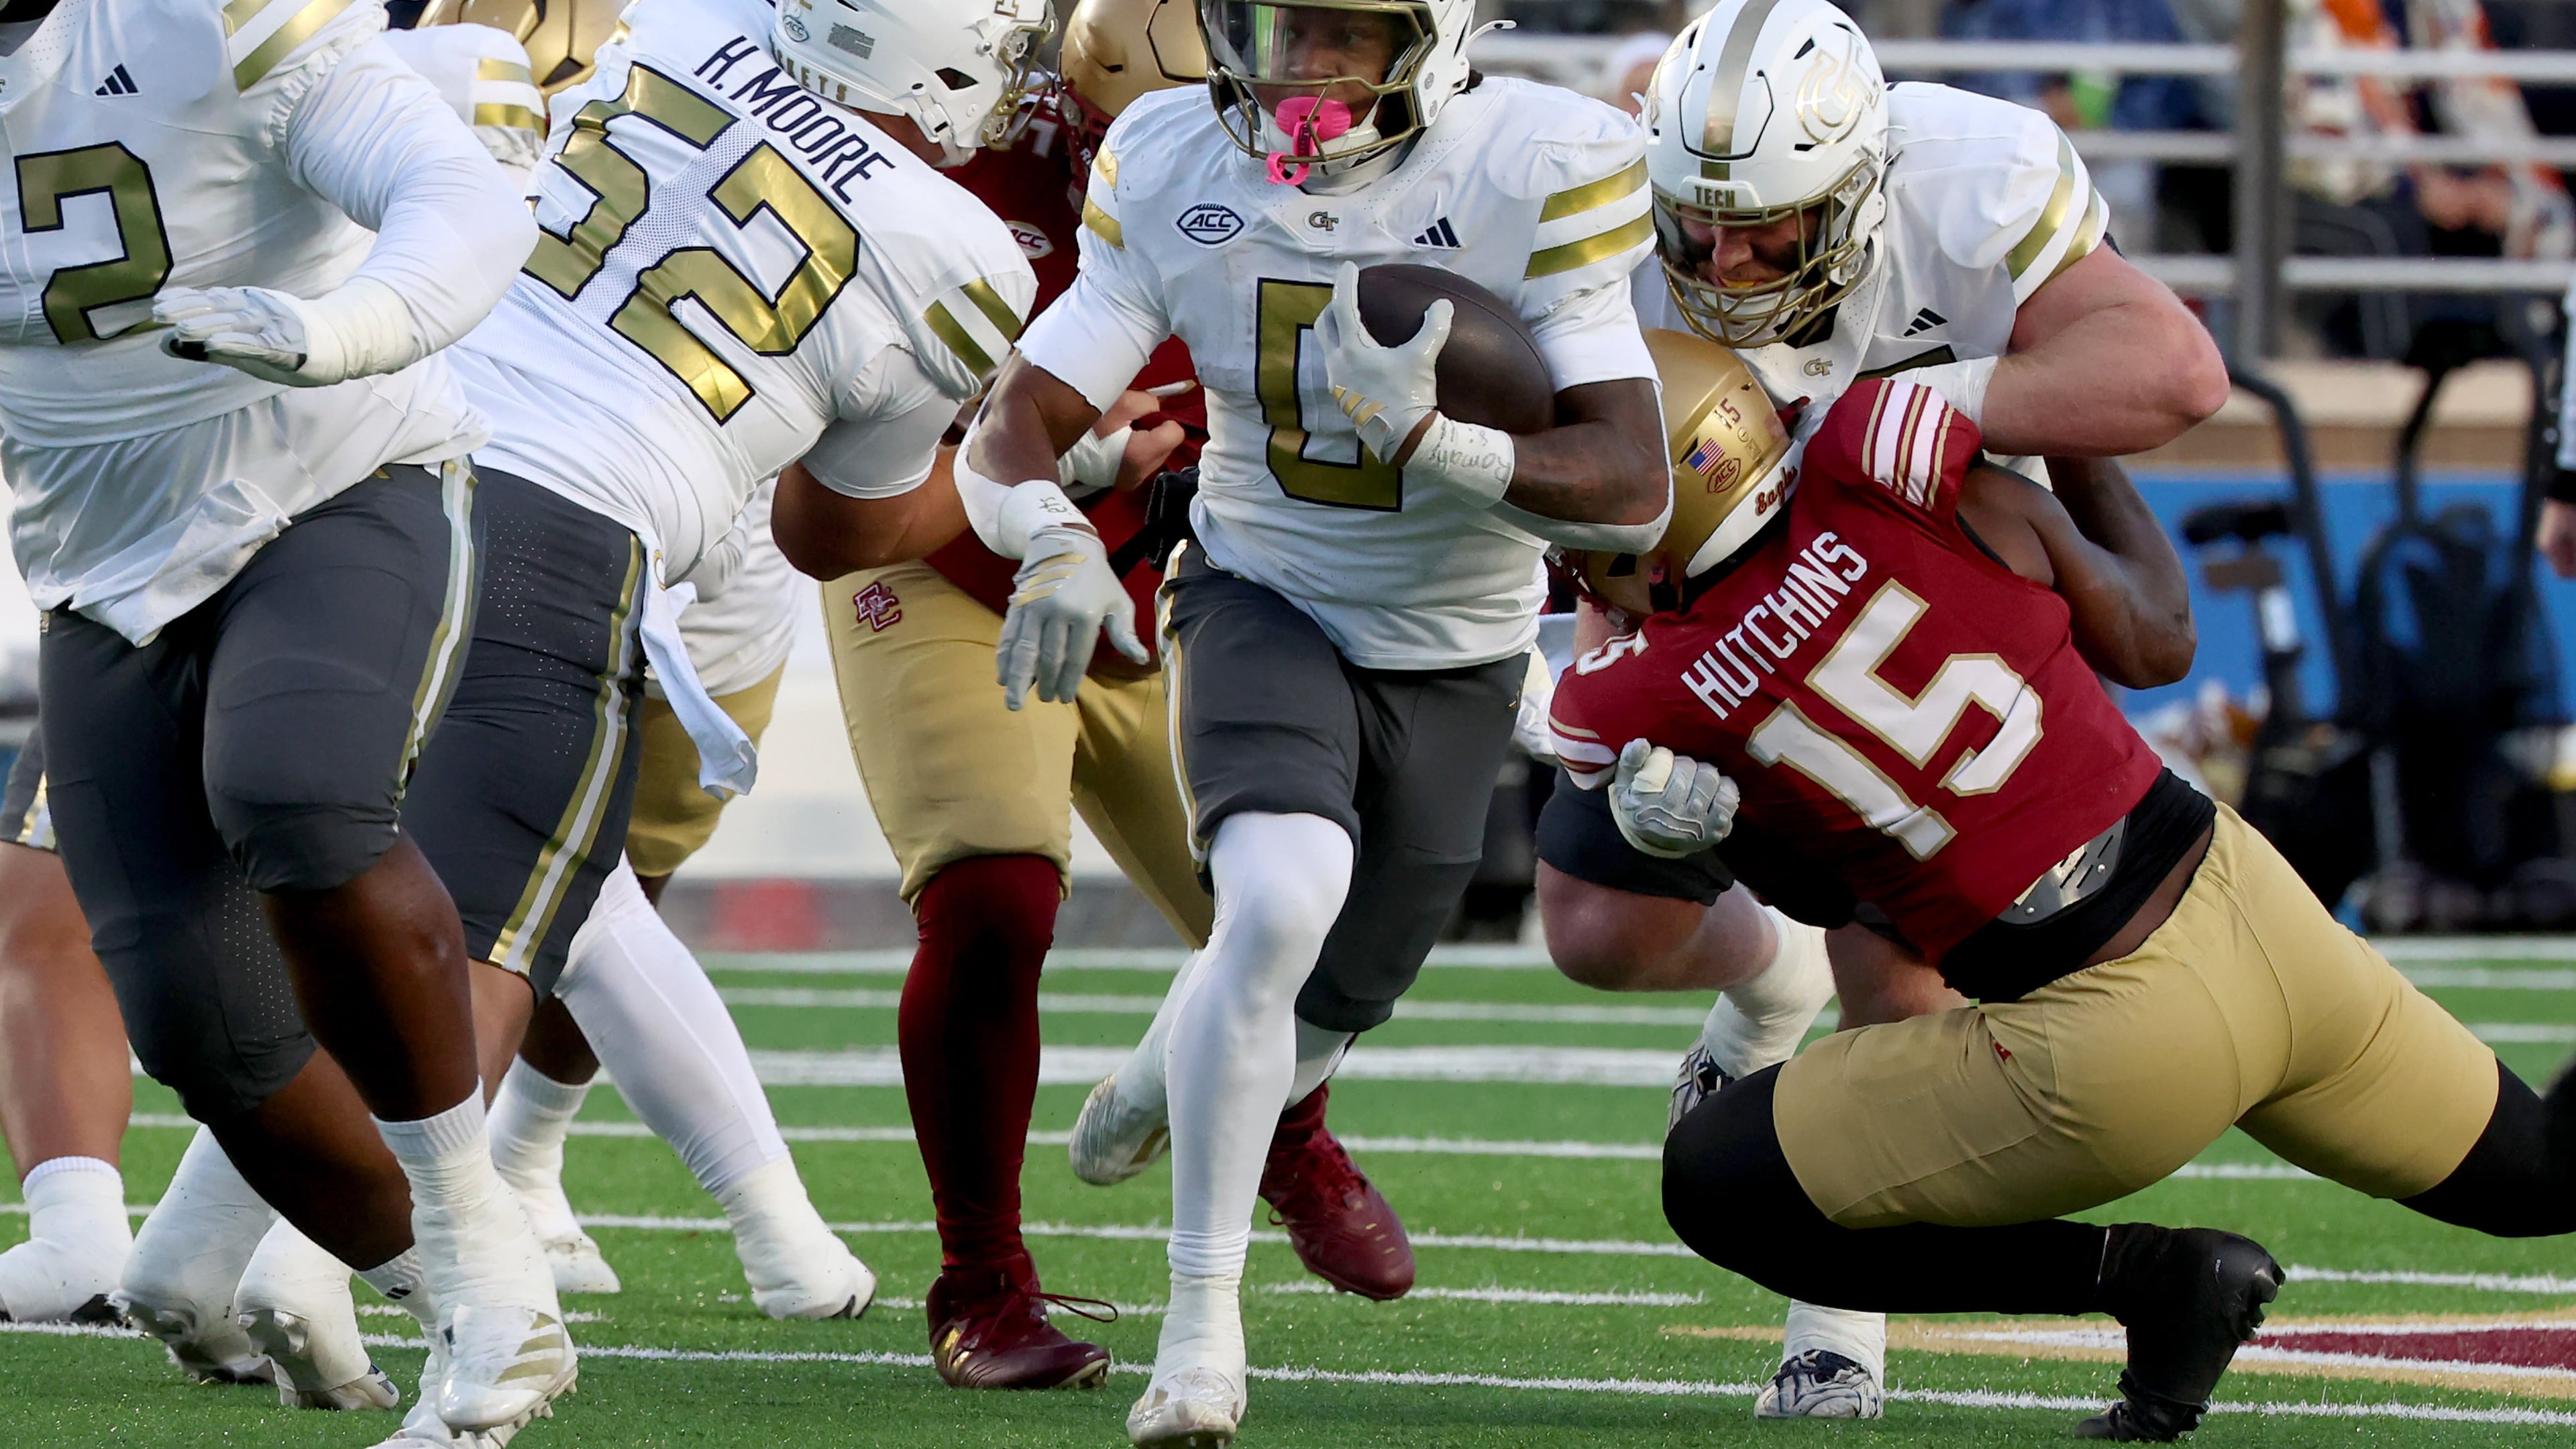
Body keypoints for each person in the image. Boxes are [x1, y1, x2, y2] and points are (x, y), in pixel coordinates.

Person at [1550, 368, 2576, 1442]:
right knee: (2548, 1178)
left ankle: (2146, 1275)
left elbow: (1819, 890)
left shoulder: (1632, 694)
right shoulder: (1875, 460)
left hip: (2107, 1045)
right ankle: (2170, 1304)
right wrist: (2060, 449)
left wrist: (1711, 829)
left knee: (1718, 1183)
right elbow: (2154, 634)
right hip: (2257, 903)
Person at [962, 0, 1675, 1439]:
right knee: (1280, 899)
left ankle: (1164, 1069)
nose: (1308, 67)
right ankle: (1199, 1331)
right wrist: (1047, 535)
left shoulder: (1540, 160)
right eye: (1283, 24)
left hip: (1464, 644)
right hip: (1260, 589)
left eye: (1352, 31)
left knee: (1337, 996)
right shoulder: (1174, 155)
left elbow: (1632, 478)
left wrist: (1435, 441)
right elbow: (1013, 417)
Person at [1529, 0, 2231, 1413]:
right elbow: (1592, 518)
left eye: (1769, 229)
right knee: (1597, 930)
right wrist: (1601, 673)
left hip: (1901, 602)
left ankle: (1837, 1325)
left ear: (1857, 192)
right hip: (1712, 618)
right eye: (1700, 224)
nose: (1723, 261)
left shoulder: (1966, 179)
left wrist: (1957, 397)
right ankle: (1763, 990)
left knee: (1893, 969)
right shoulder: (1599, 226)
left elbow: (2176, 372)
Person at [0, 0, 569, 1438]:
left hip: (330, 476)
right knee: (202, 1028)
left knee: (296, 787)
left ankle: (479, 1236)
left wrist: (335, 329)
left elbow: (458, 202)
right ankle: (470, 1315)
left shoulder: (207, 14)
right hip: (98, 565)